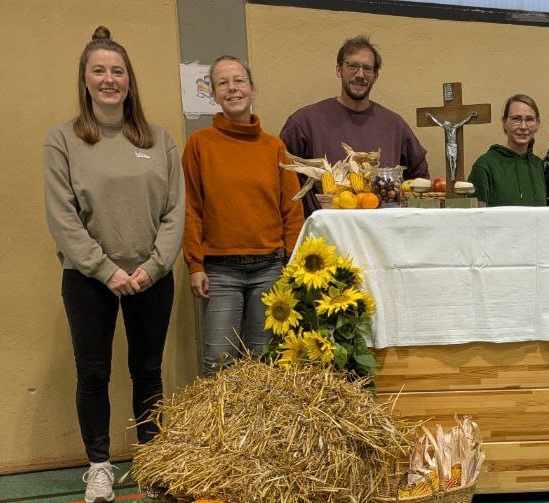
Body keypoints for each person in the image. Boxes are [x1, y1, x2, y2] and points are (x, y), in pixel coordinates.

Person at [43, 26, 183, 503]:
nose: (109, 79)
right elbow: (62, 218)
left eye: (117, 71)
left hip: (151, 277)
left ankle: (151, 461)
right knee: (94, 374)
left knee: (147, 371)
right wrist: (106, 270)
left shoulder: (158, 140)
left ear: (130, 80)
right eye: (99, 70)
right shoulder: (63, 140)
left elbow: (173, 212)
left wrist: (153, 266)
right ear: (85, 80)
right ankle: (99, 467)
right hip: (88, 280)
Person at [182, 55, 305, 375]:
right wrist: (195, 263)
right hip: (220, 271)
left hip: (269, 268)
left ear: (252, 88)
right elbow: (191, 208)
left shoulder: (273, 147)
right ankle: (217, 427)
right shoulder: (199, 145)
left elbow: (292, 208)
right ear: (213, 94)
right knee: (218, 363)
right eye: (222, 82)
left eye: (239, 80)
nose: (232, 88)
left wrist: (290, 262)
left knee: (264, 362)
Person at [280, 36, 429, 215]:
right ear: (339, 70)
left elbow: (420, 179)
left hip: (384, 233)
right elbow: (284, 184)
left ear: (375, 76)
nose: (360, 75)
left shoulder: (394, 125)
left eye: (367, 68)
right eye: (352, 66)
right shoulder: (304, 123)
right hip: (326, 236)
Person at [468, 94, 546, 207]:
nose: (523, 126)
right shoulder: (485, 165)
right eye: (516, 119)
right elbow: (476, 215)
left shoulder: (540, 166)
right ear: (504, 122)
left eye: (529, 119)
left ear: (537, 123)